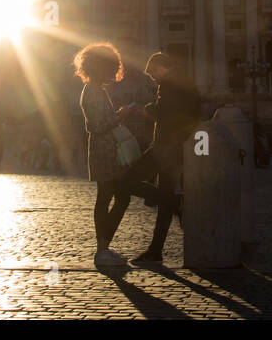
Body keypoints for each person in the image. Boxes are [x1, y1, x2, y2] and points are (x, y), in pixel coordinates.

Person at [116, 52, 200, 265]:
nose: (153, 77)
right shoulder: (185, 81)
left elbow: (164, 111)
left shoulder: (171, 83)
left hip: (164, 148)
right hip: (176, 147)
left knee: (126, 182)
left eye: (153, 72)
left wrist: (142, 109)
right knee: (164, 201)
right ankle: (155, 250)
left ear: (162, 66)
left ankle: (173, 202)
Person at [75, 42, 132, 266]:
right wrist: (121, 114)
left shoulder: (96, 89)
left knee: (115, 197)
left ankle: (104, 246)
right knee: (110, 197)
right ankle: (102, 249)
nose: (114, 72)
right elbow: (98, 125)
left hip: (105, 148)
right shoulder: (93, 92)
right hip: (104, 149)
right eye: (111, 67)